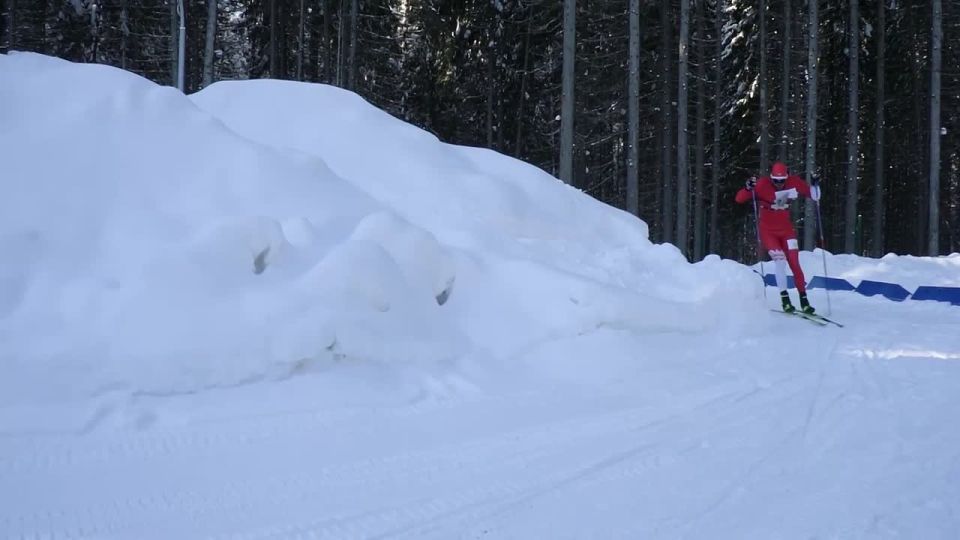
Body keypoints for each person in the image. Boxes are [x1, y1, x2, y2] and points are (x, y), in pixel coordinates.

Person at [735, 161, 822, 314]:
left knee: (795, 263)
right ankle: (785, 300)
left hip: (787, 231)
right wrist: (748, 187)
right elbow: (739, 199)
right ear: (771, 177)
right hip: (768, 231)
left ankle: (804, 301)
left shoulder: (793, 182)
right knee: (780, 262)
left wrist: (815, 184)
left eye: (782, 181)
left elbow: (815, 196)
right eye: (776, 181)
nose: (779, 184)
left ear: (786, 178)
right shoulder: (762, 184)